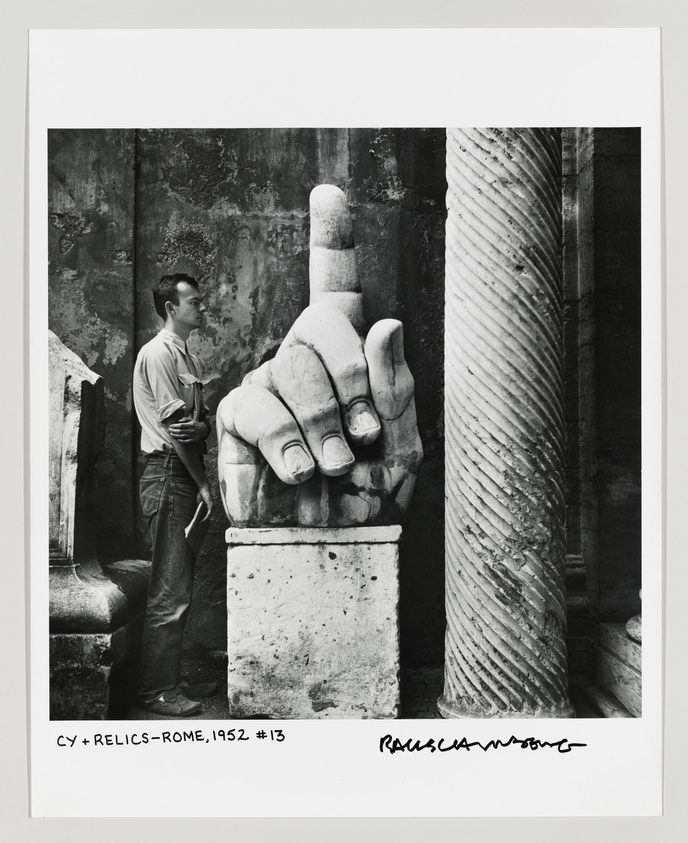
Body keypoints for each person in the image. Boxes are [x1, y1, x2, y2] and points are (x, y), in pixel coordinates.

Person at [133, 273, 217, 717]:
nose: (202, 308)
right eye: (195, 302)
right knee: (169, 592)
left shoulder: (188, 356)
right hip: (169, 474)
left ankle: (170, 681)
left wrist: (203, 428)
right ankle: (156, 692)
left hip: (180, 473)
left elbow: (197, 426)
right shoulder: (159, 353)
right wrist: (203, 482)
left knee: (177, 588)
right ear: (171, 307)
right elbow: (177, 430)